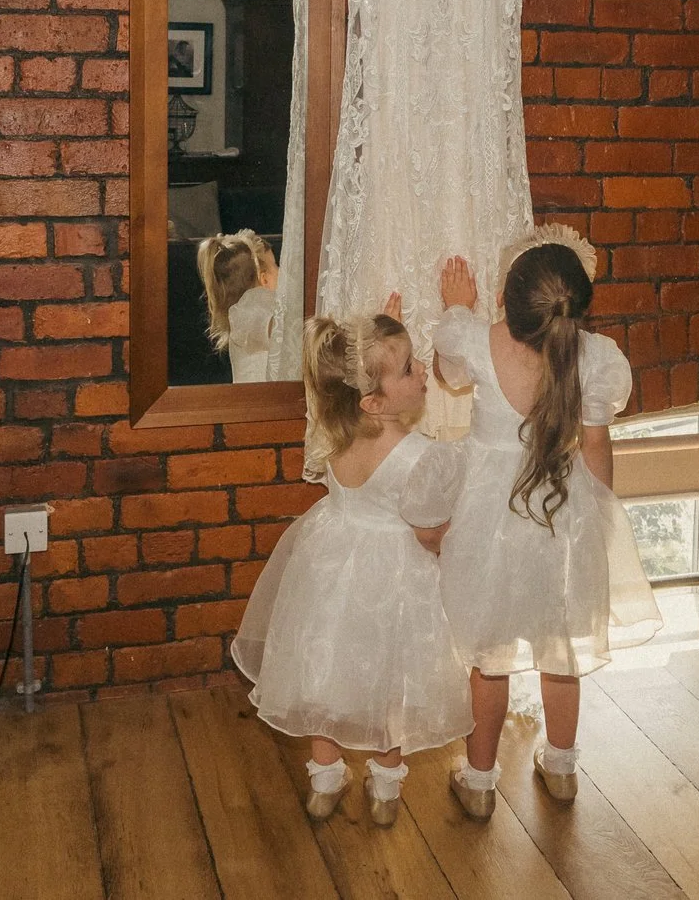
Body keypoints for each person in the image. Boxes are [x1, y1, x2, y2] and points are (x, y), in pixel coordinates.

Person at [432, 226, 657, 818]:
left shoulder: (476, 342)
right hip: (564, 522)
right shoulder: (595, 359)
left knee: (489, 654)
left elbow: (447, 370)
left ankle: (479, 782)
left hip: (490, 526)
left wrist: (458, 305)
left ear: (504, 302)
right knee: (562, 651)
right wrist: (600, 521)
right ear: (577, 312)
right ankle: (560, 768)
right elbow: (597, 450)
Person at [230, 299, 469, 825]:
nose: (423, 370)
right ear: (374, 403)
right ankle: (385, 791)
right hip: (393, 582)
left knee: (326, 673)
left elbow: (341, 385)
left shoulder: (333, 429)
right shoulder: (421, 455)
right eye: (409, 368)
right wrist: (450, 548)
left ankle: (325, 779)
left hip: (330, 570)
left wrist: (368, 347)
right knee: (389, 683)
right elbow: (429, 531)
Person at [196, 230, 279, 382]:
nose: (280, 272)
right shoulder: (250, 310)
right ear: (264, 278)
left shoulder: (242, 314)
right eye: (275, 265)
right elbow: (284, 331)